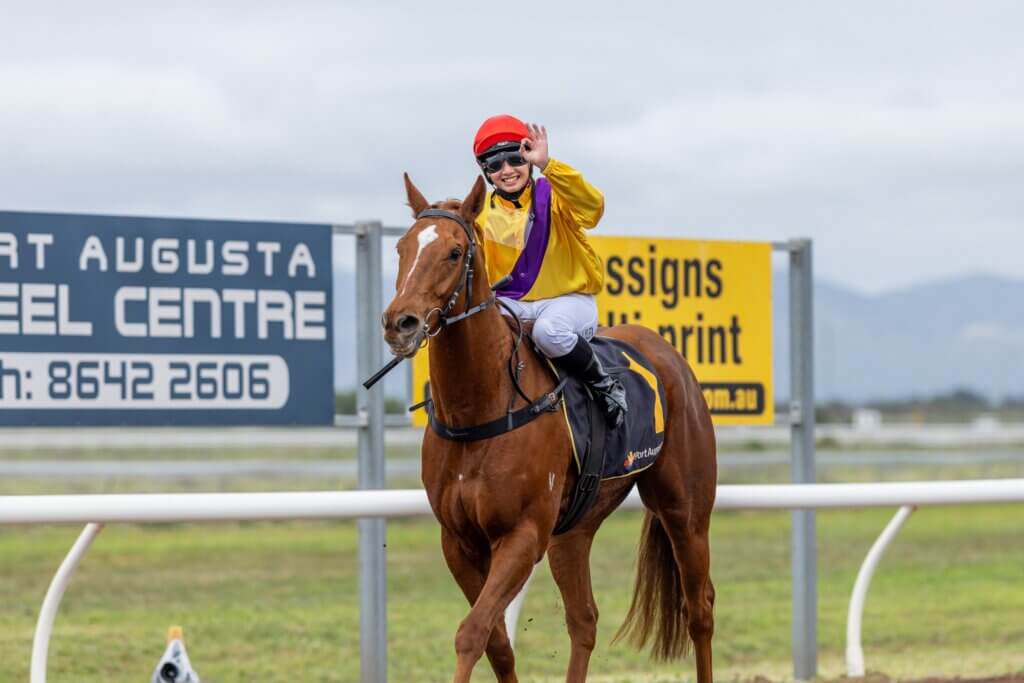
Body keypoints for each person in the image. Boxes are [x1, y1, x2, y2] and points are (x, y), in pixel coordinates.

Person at [472, 114, 627, 427]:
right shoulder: (481, 216)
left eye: (515, 158)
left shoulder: (554, 195)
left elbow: (593, 208)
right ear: (486, 173)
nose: (507, 170)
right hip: (513, 305)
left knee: (548, 332)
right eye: (494, 165)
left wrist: (549, 165)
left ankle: (605, 385)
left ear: (528, 157)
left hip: (567, 301)